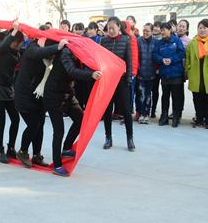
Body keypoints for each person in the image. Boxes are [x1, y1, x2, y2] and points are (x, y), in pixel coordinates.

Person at [44, 44, 102, 177]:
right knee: (59, 131)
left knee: (80, 119)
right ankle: (57, 165)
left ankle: (66, 148)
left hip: (68, 94)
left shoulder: (79, 55)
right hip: (53, 95)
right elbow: (71, 70)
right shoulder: (65, 53)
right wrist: (91, 75)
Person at [15, 27, 67, 168]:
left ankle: (37, 155)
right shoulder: (32, 48)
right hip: (24, 95)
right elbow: (40, 53)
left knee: (40, 124)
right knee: (34, 124)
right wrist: (58, 46)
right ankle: (23, 151)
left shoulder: (46, 56)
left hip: (37, 95)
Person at [0, 21, 23, 163]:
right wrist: (13, 32)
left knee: (15, 118)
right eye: (19, 42)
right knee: (0, 121)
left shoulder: (16, 52)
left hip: (9, 88)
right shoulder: (2, 48)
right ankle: (0, 150)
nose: (20, 45)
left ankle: (11, 148)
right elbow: (2, 46)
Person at [100, 17, 135, 151]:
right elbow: (101, 60)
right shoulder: (103, 41)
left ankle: (130, 139)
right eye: (108, 28)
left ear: (119, 27)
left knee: (126, 110)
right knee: (107, 110)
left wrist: (128, 78)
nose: (110, 30)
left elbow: (129, 61)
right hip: (108, 80)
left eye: (113, 28)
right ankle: (108, 138)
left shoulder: (126, 40)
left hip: (121, 80)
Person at [153, 22, 185, 127]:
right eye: (161, 30)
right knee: (165, 96)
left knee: (176, 97)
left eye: (164, 30)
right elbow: (155, 54)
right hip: (164, 73)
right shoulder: (159, 43)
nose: (162, 32)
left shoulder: (176, 41)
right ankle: (164, 116)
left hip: (176, 73)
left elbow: (182, 53)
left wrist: (172, 59)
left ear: (170, 30)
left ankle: (176, 117)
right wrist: (161, 59)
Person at [136, 23, 157, 124]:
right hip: (140, 73)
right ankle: (141, 113)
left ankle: (146, 114)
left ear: (152, 32)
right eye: (144, 30)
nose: (145, 33)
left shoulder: (156, 42)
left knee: (148, 95)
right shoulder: (138, 41)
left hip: (151, 74)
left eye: (147, 31)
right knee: (141, 95)